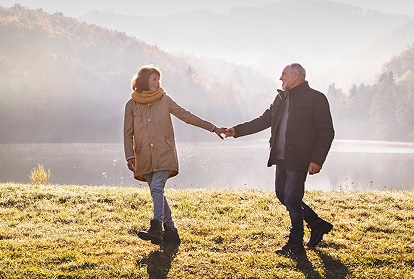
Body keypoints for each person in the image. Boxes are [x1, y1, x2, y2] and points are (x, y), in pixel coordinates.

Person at [224, 63, 335, 256]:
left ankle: (295, 245)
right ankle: (317, 224)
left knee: (292, 198)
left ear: (297, 76)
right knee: (283, 196)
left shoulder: (316, 99)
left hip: (300, 158)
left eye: (284, 74)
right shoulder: (281, 98)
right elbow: (264, 120)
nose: (280, 78)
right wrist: (237, 130)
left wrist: (317, 160)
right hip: (281, 157)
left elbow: (327, 131)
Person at [124, 64, 227, 245]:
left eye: (158, 79)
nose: (158, 83)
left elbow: (186, 116)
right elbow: (127, 133)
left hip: (164, 152)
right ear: (143, 80)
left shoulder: (164, 100)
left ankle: (156, 228)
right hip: (143, 155)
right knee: (158, 193)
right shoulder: (131, 105)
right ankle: (170, 231)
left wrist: (213, 128)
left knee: (156, 188)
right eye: (154, 79)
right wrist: (129, 156)